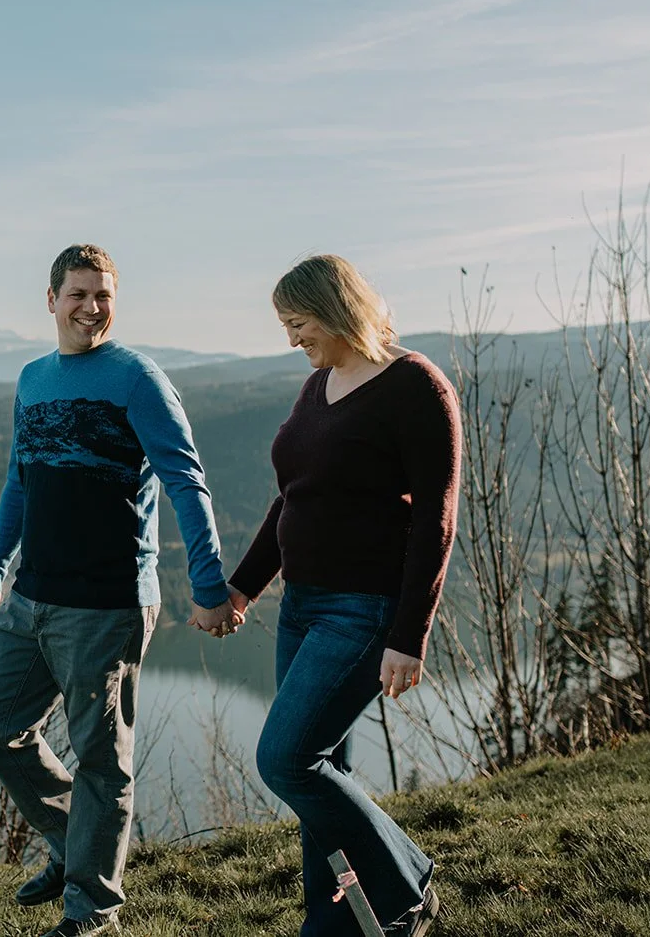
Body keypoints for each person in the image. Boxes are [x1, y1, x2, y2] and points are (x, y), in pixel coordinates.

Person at [0, 243, 248, 937]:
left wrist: (208, 585)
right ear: (51, 299)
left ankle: (92, 907)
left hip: (108, 601)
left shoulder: (137, 378)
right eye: (78, 294)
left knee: (101, 757)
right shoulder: (32, 379)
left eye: (103, 295)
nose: (91, 307)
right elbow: (18, 482)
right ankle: (74, 843)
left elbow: (186, 479)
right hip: (30, 597)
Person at [224, 254, 459, 937]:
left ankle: (408, 881)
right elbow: (292, 499)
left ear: (337, 310)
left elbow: (436, 520)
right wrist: (243, 586)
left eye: (298, 323)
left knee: (287, 759)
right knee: (323, 783)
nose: (292, 339)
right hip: (301, 606)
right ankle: (337, 927)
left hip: (364, 609)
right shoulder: (319, 384)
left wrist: (408, 634)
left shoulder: (415, 386)